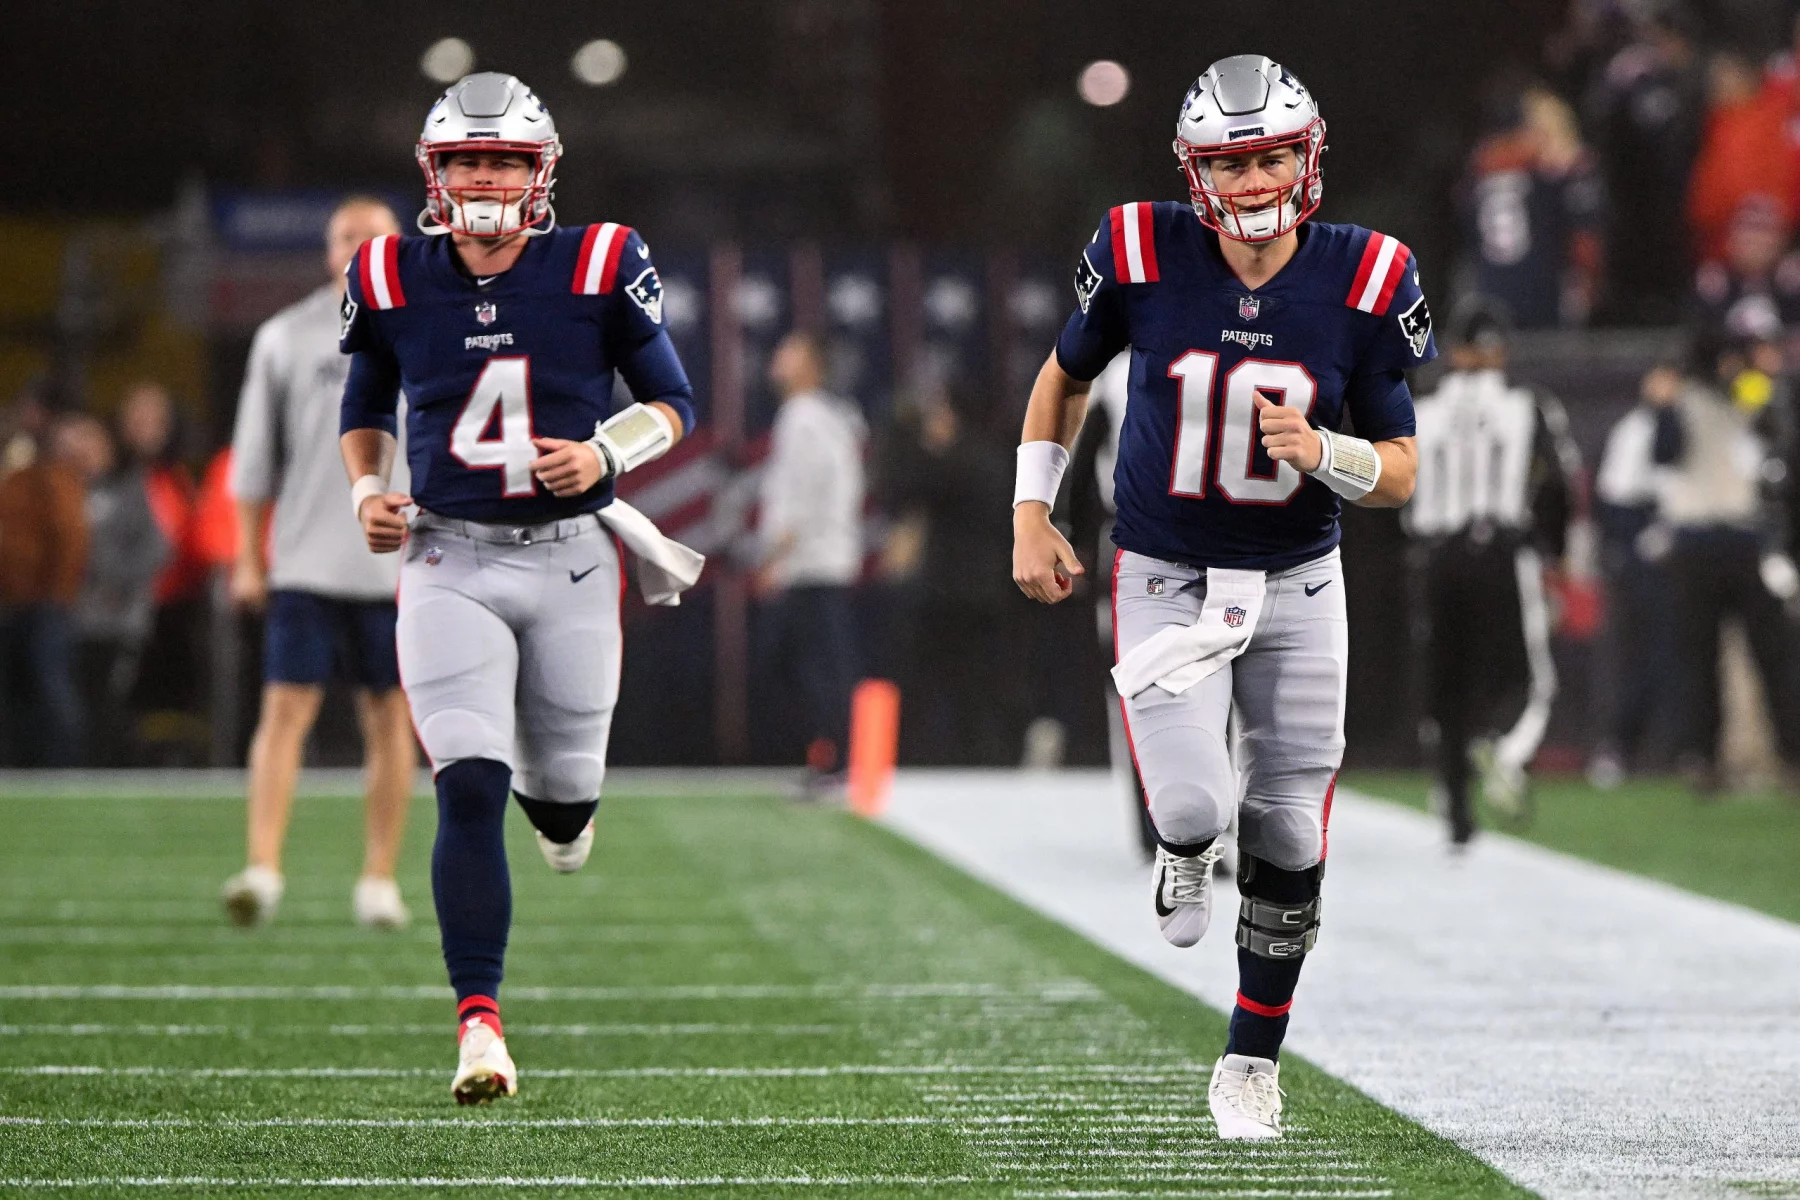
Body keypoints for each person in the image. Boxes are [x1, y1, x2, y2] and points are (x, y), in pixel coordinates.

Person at [1011, 56, 1431, 1139]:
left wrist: (1325, 450)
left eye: (1272, 154)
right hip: (1166, 570)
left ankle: (1251, 1060)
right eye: (1231, 160)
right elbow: (1064, 376)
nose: (1253, 180)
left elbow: (1400, 469)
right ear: (1196, 172)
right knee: (1193, 807)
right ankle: (1181, 856)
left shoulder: (1367, 274)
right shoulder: (1142, 249)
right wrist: (1029, 509)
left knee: (1289, 830)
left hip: (1298, 579)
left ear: (1311, 155)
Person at [338, 72, 702, 1104]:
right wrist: (368, 485)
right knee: (466, 782)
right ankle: (480, 1023)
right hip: (447, 556)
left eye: (502, 160)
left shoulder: (598, 260)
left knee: (563, 807)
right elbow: (365, 399)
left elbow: (673, 399)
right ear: (434, 173)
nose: (485, 178)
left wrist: (602, 454)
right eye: (466, 160)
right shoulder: (390, 272)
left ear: (539, 172)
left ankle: (566, 812)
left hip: (573, 558)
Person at [219, 196, 417, 930]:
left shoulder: (430, 331)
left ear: (400, 244)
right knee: (283, 712)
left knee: (391, 718)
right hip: (302, 559)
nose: (358, 245)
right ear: (327, 249)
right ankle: (263, 866)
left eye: (372, 235)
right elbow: (253, 462)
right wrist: (247, 556)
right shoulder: (286, 336)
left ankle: (378, 878)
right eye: (345, 235)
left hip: (397, 566)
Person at [1404, 302, 1579, 845]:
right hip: (1501, 551)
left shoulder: (1421, 404)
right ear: (1500, 349)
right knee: (1528, 678)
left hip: (1438, 555)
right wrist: (1556, 550)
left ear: (1454, 351)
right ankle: (1502, 745)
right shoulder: (1527, 405)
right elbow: (1558, 486)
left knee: (1446, 678)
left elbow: (1388, 477)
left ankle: (1455, 801)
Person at [1648, 332, 1800, 794]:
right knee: (1698, 658)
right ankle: (1701, 757)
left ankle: (1792, 755)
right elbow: (1665, 453)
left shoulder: (1751, 394)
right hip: (1696, 541)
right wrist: (1665, 404)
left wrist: (1755, 385)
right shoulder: (1684, 400)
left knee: (1775, 656)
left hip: (1746, 537)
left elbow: (1775, 438)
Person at [754, 329, 865, 791]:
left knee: (815, 668)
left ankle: (833, 760)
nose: (776, 360)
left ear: (811, 366)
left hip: (811, 562)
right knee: (816, 664)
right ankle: (830, 757)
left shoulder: (803, 417)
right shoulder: (827, 416)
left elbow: (800, 496)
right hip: (821, 559)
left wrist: (774, 555)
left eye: (789, 353)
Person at [56, 414, 168, 765]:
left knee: (107, 698)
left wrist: (119, 582)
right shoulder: (60, 490)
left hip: (116, 619)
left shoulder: (127, 488)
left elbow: (157, 547)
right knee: (69, 700)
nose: (82, 453)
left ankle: (112, 767)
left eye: (90, 443)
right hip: (67, 618)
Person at [1461, 84, 1604, 329]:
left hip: (1491, 288)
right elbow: (1586, 240)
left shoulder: (1485, 163)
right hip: (1543, 290)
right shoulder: (1556, 168)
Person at [0, 393, 89, 766]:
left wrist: (57, 594)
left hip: (45, 603)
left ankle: (64, 769)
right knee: (19, 692)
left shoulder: (51, 478)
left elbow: (70, 538)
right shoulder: (15, 478)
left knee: (52, 688)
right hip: (12, 602)